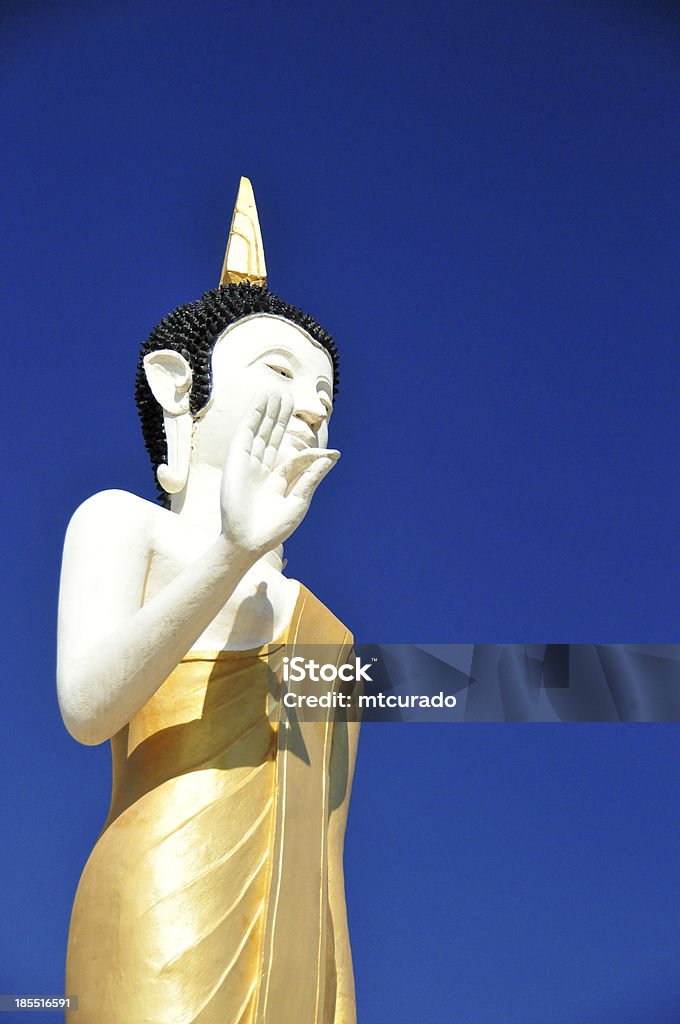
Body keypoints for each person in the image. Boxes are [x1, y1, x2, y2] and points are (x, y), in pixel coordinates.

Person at [57, 179, 358, 1023]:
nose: (314, 402)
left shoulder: (322, 622)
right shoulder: (125, 526)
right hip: (165, 898)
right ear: (176, 388)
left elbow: (321, 839)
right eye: (281, 372)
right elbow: (86, 708)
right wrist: (228, 552)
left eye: (327, 390)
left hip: (309, 947)